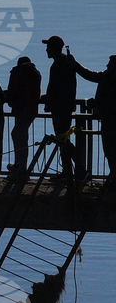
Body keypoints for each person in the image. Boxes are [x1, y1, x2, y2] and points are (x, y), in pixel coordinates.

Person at [69, 52, 116, 188]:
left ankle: (113, 182)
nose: (107, 65)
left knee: (112, 152)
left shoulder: (106, 78)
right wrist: (75, 63)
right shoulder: (105, 77)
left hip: (112, 121)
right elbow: (89, 74)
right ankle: (113, 180)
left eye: (110, 63)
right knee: (108, 151)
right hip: (106, 121)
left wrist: (99, 106)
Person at [41, 35, 79, 181]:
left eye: (48, 47)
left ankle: (75, 169)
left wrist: (52, 102)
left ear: (55, 48)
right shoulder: (63, 63)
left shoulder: (60, 64)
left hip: (60, 109)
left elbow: (60, 89)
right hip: (63, 108)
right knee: (63, 139)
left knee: (62, 140)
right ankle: (70, 170)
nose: (46, 49)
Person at [6, 56, 42, 179]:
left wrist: (10, 101)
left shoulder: (17, 72)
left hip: (20, 109)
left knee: (18, 135)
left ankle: (20, 169)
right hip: (32, 110)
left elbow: (12, 90)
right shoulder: (36, 73)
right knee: (21, 136)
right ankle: (21, 167)